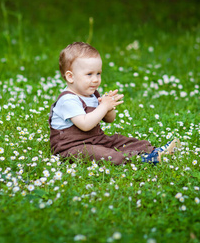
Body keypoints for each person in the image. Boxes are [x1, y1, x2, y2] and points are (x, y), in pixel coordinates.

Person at [49, 41, 180, 165]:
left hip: (96, 140)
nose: (95, 79)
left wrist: (109, 108)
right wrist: (103, 106)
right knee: (98, 153)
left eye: (98, 73)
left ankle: (154, 151)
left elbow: (110, 120)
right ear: (70, 76)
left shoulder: (92, 94)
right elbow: (85, 124)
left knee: (119, 140)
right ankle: (143, 159)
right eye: (89, 74)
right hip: (71, 148)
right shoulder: (68, 100)